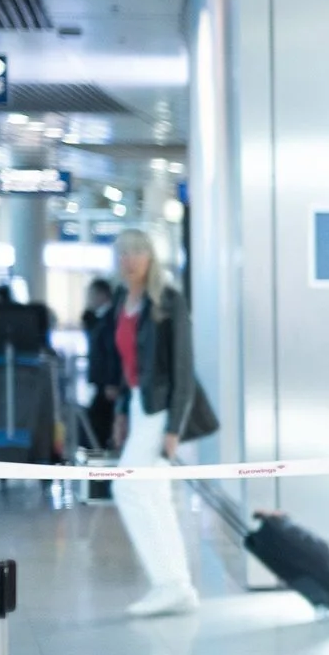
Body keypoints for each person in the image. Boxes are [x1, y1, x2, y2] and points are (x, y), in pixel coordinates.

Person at [110, 231, 204, 616]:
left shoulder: (169, 300)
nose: (129, 259)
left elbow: (183, 368)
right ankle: (175, 584)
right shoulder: (124, 301)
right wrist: (120, 411)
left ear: (150, 256)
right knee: (155, 497)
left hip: (161, 409)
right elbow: (127, 363)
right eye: (122, 253)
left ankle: (170, 582)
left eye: (137, 251)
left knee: (129, 489)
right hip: (138, 403)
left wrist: (174, 428)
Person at [82, 276, 121, 454]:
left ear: (102, 295)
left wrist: (111, 381)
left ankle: (100, 475)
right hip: (102, 384)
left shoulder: (110, 319)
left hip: (107, 385)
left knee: (97, 428)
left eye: (91, 295)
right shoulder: (100, 319)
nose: (89, 300)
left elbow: (112, 351)